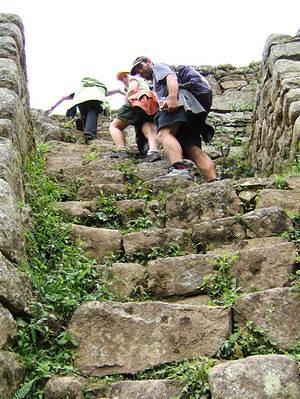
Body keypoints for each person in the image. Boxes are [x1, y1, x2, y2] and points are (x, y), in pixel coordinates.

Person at [130, 57, 217, 181]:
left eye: (141, 66)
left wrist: (172, 98)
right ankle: (213, 180)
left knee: (163, 134)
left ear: (149, 62)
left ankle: (179, 169)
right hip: (191, 109)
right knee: (191, 147)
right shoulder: (154, 81)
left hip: (178, 104)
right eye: (137, 71)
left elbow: (171, 77)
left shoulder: (158, 67)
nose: (140, 72)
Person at [46, 77, 124, 143]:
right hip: (96, 101)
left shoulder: (81, 90)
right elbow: (118, 90)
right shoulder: (98, 89)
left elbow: (63, 98)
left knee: (85, 115)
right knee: (92, 113)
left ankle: (82, 127)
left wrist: (52, 108)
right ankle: (89, 133)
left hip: (82, 102)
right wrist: (128, 94)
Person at [109, 71, 161, 162]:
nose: (123, 81)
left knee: (114, 126)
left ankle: (122, 151)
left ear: (126, 76)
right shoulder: (144, 83)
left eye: (122, 79)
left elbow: (132, 89)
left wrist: (127, 102)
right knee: (148, 126)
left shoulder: (133, 79)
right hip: (151, 102)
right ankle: (153, 151)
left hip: (137, 101)